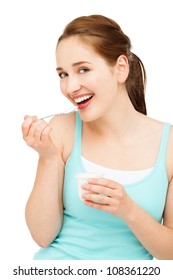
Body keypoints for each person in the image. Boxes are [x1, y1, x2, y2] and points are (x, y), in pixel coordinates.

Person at [22, 14, 173, 260]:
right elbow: (42, 235)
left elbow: (171, 251)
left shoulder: (170, 146)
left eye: (83, 69)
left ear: (120, 68)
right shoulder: (62, 130)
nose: (70, 88)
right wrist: (48, 157)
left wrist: (128, 209)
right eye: (63, 74)